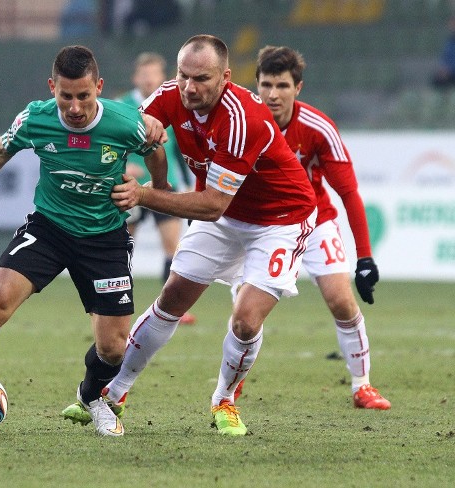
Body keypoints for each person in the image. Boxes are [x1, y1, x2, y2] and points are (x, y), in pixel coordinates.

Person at [0, 45, 167, 438]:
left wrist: (152, 191)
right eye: (65, 96)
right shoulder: (36, 117)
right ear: (51, 88)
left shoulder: (127, 122)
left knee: (113, 349)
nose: (74, 107)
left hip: (104, 238)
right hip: (49, 228)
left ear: (99, 88)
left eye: (84, 96)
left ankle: (92, 397)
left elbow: (155, 150)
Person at [62, 34, 318, 436]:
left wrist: (146, 193)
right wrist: (139, 146)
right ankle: (112, 392)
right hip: (227, 217)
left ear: (226, 78)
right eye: (183, 76)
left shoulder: (241, 120)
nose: (189, 87)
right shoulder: (169, 95)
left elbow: (212, 204)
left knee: (246, 321)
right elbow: (133, 132)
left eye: (201, 78)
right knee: (171, 298)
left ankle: (224, 400)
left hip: (279, 220)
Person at [230, 45, 390, 410]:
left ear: (297, 87)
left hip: (313, 222)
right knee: (245, 314)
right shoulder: (241, 122)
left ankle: (362, 386)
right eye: (266, 84)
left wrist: (364, 257)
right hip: (257, 226)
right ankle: (231, 387)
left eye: (282, 85)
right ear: (256, 84)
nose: (273, 94)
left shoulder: (317, 127)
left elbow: (348, 193)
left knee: (341, 300)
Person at [118, 52, 196, 325]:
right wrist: (122, 169)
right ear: (135, 77)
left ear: (163, 77)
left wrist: (187, 182)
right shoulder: (121, 106)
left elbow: (176, 150)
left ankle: (171, 309)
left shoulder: (173, 106)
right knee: (123, 247)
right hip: (129, 187)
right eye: (145, 74)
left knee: (172, 247)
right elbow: (108, 147)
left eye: (154, 74)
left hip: (166, 185)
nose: (149, 79)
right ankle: (118, 303)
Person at [431, 16, 455, 88]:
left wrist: (449, 70)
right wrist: (443, 69)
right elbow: (445, 58)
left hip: (452, 72)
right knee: (436, 80)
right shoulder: (449, 42)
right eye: (451, 26)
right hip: (449, 73)